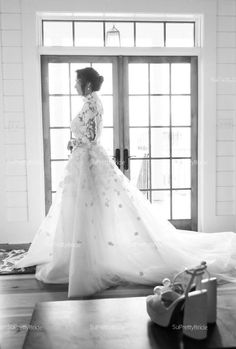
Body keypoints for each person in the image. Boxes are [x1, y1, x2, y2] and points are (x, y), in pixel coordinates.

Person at [13, 67, 236, 298]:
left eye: (76, 81)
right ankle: (84, 255)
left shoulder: (91, 103)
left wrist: (73, 143)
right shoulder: (93, 102)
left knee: (85, 209)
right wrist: (76, 142)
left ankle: (85, 259)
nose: (74, 85)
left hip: (88, 161)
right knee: (86, 209)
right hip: (88, 161)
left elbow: (89, 138)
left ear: (86, 84)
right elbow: (90, 135)